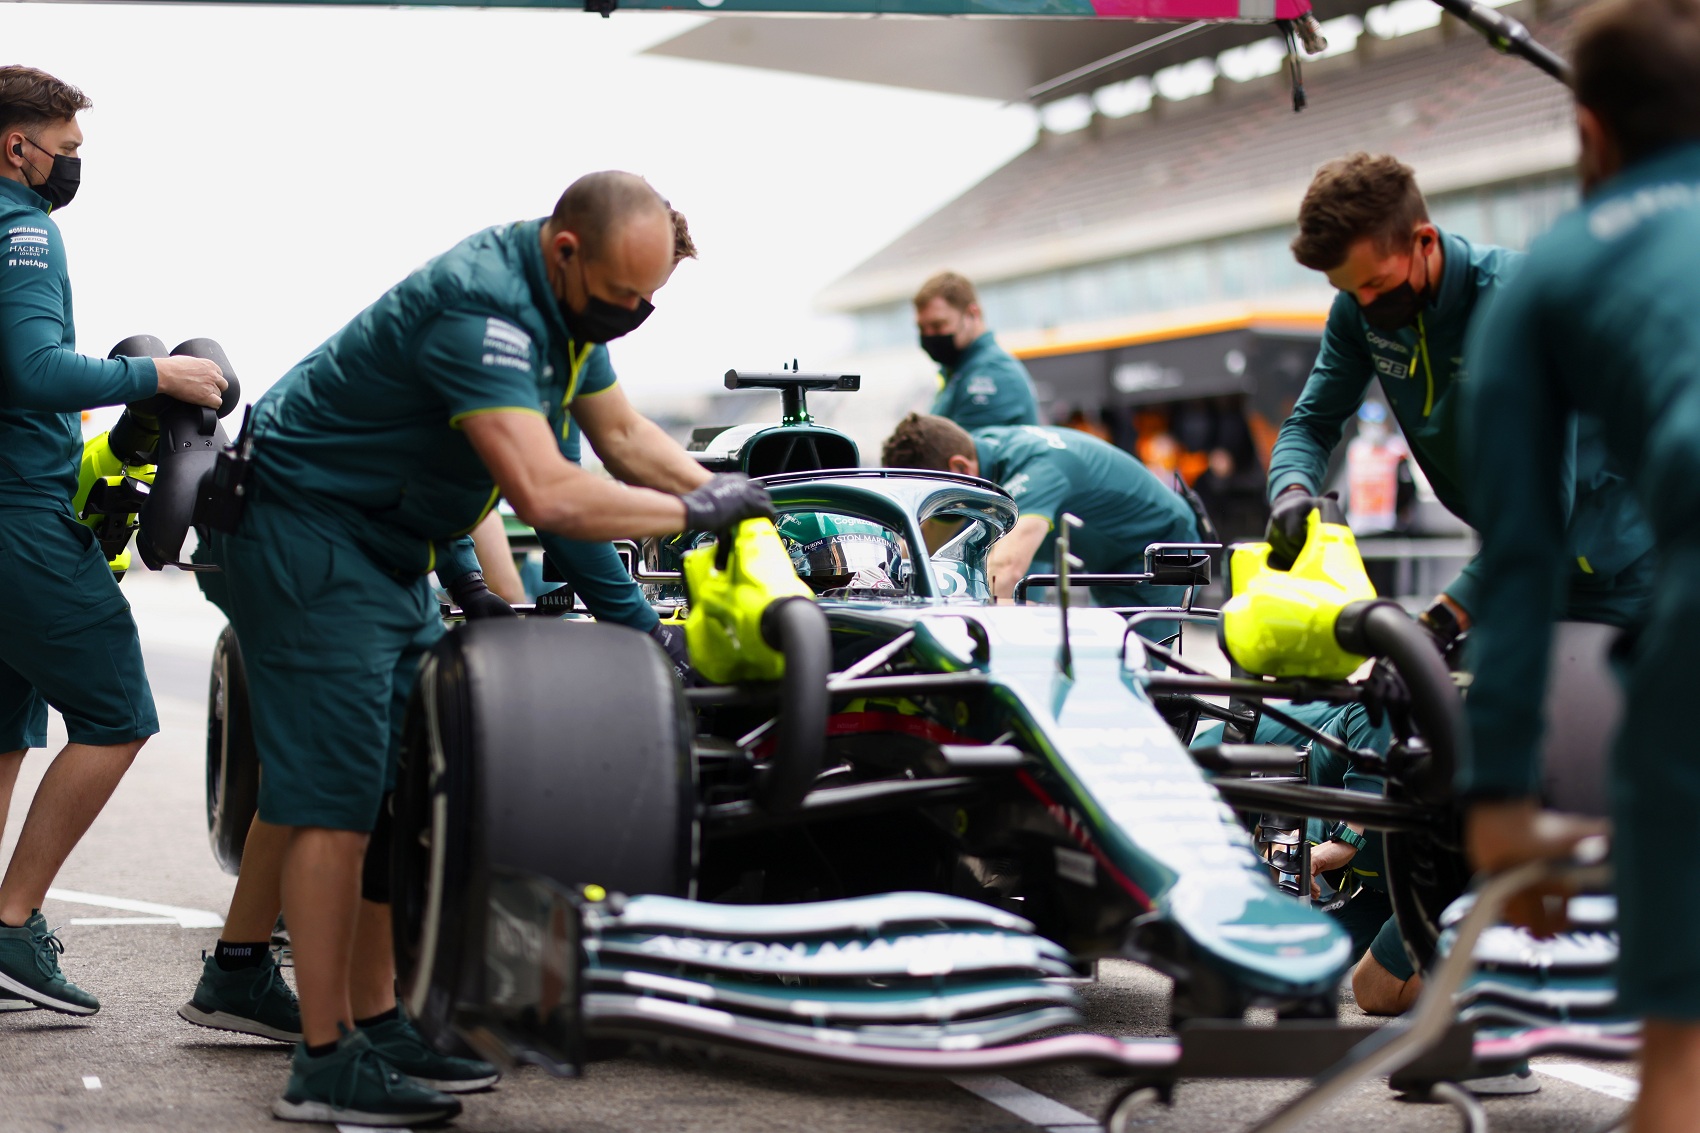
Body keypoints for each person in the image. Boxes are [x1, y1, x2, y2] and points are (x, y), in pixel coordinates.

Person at [192, 171, 772, 1126]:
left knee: (393, 786)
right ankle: (325, 1060)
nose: (631, 316)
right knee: (334, 798)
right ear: (565, 249)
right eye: (621, 297)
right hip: (302, 534)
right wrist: (687, 509)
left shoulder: (571, 311)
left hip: (381, 550)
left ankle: (377, 1024)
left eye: (648, 302)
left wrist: (736, 495)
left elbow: (622, 432)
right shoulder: (484, 309)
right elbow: (545, 494)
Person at [1460, 0, 1700, 1126]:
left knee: (1678, 1079)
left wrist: (1503, 804)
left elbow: (1518, 555)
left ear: (1588, 131)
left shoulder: (1545, 276)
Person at [0, 66, 226, 1016]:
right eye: (68, 151)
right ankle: (12, 925)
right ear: (19, 147)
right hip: (20, 517)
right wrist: (160, 379)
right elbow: (34, 367)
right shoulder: (23, 230)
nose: (71, 169)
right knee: (119, 711)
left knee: (6, 727)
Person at [1267, 152, 1653, 659]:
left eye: (1376, 284)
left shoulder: (1517, 302)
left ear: (1424, 241)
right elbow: (1311, 424)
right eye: (1346, 288)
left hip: (1628, 573)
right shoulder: (1357, 313)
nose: (1363, 304)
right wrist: (1291, 492)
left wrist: (1438, 622)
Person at [881, 414, 1199, 620]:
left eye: (939, 498)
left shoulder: (1037, 469)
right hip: (1112, 557)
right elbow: (926, 540)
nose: (941, 512)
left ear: (960, 467)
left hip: (1168, 546)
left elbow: (1004, 572)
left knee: (1141, 672)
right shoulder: (981, 448)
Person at [913, 272, 1040, 429]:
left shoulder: (990, 376)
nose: (928, 335)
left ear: (973, 314)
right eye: (921, 328)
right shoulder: (957, 372)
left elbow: (958, 451)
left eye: (938, 325)